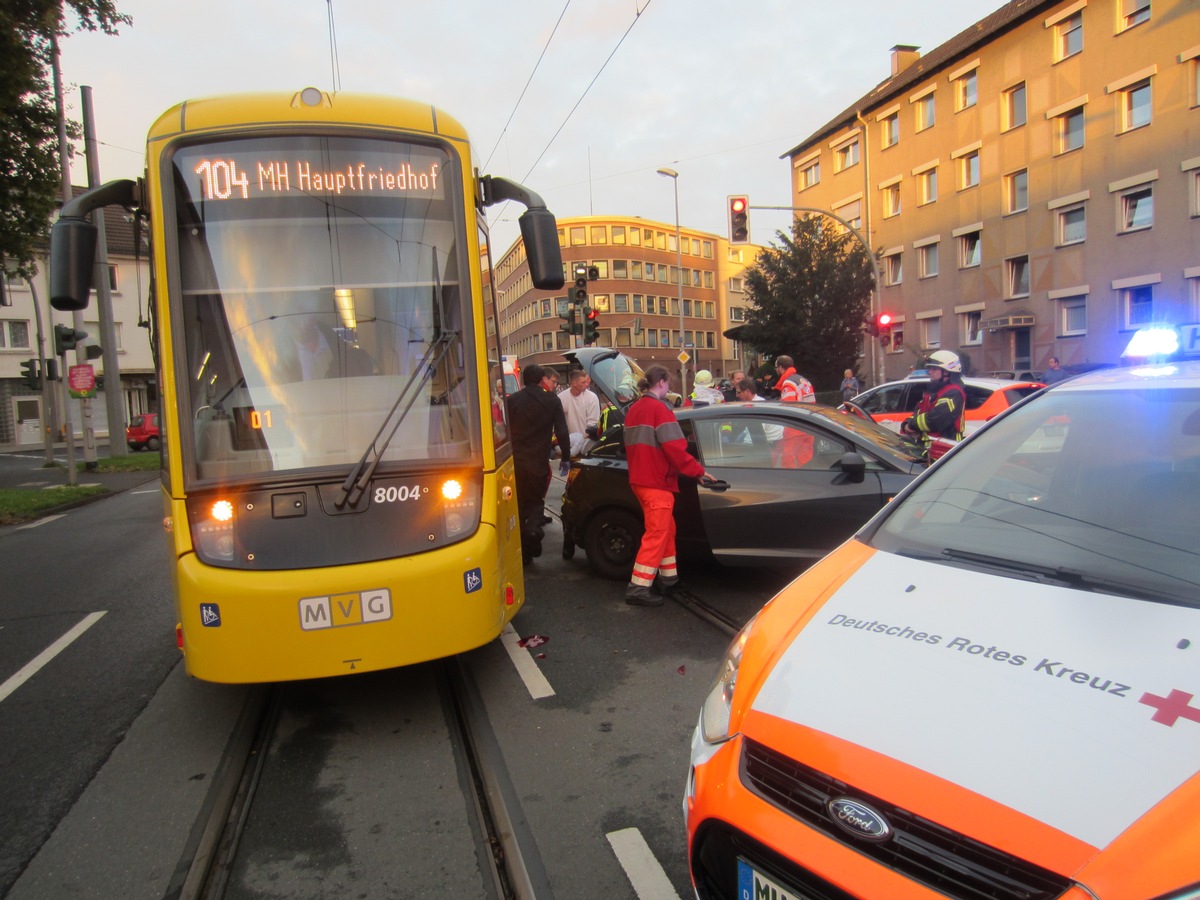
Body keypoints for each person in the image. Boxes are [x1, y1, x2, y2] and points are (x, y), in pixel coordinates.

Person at [622, 366, 717, 606]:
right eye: (669, 384)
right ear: (662, 382)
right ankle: (638, 588)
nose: (669, 389)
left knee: (665, 531)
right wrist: (698, 471)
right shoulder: (660, 409)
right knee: (656, 534)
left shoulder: (634, 409)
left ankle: (669, 579)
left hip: (641, 480)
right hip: (657, 482)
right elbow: (675, 447)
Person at [507, 363, 571, 564]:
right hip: (538, 461)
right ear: (541, 379)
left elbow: (505, 430)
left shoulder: (513, 400)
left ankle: (523, 550)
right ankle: (533, 529)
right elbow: (561, 431)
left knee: (517, 504)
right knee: (535, 502)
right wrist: (566, 457)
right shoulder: (551, 400)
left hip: (515, 461)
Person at [900, 350, 967, 447]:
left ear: (946, 372)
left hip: (945, 452)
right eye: (930, 368)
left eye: (934, 369)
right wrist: (906, 423)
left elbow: (935, 420)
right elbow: (918, 413)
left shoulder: (954, 393)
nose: (930, 372)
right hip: (928, 451)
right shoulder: (933, 392)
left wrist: (911, 425)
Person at [559, 368, 601, 456]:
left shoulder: (592, 398)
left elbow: (593, 424)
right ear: (574, 383)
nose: (586, 384)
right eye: (583, 382)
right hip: (570, 442)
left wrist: (580, 441)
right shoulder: (561, 398)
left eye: (586, 381)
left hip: (587, 442)